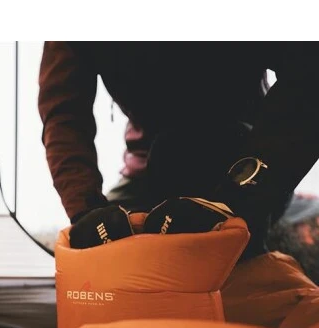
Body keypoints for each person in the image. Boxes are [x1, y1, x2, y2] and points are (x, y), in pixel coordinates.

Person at [38, 42, 318, 257]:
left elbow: (309, 77)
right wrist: (85, 210)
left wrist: (239, 196)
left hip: (244, 157)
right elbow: (64, 114)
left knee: (234, 268)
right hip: (146, 167)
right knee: (103, 259)